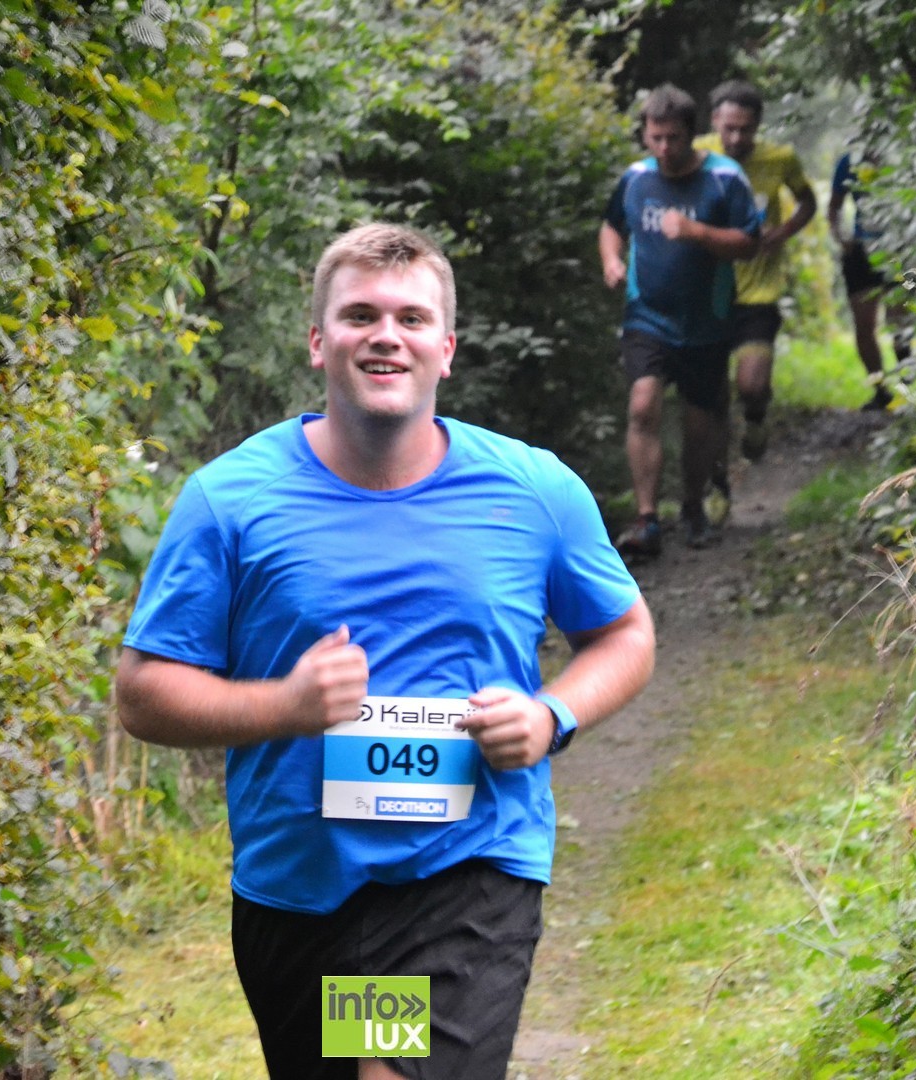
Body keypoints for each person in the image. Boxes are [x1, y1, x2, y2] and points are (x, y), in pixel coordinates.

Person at [116, 223, 655, 1080]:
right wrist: (283, 707)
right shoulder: (231, 499)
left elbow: (624, 633)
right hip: (302, 884)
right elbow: (141, 693)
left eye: (410, 317)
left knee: (387, 1076)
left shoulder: (532, 490)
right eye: (360, 314)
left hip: (465, 868)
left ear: (445, 348)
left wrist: (551, 714)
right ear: (319, 341)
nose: (386, 335)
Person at [599, 83, 760, 558]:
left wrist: (697, 232)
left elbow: (750, 241)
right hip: (646, 315)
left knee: (698, 422)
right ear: (645, 136)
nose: (664, 148)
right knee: (643, 402)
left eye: (672, 138)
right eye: (655, 138)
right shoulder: (635, 179)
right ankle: (648, 518)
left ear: (693, 134)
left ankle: (692, 506)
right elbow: (611, 226)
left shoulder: (724, 179)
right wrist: (611, 260)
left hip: (706, 320)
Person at [693, 79, 817, 466]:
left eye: (745, 128)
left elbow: (807, 202)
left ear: (758, 125)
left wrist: (782, 233)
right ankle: (717, 481)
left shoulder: (780, 159)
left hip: (758, 292)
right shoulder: (697, 153)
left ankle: (756, 417)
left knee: (751, 385)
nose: (736, 137)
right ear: (714, 121)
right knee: (710, 396)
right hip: (707, 291)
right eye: (728, 128)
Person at [827, 149, 910, 410]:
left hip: (898, 247)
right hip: (862, 251)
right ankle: (880, 391)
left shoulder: (903, 154)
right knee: (864, 326)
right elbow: (834, 206)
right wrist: (842, 239)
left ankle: (907, 387)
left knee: (899, 323)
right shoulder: (849, 161)